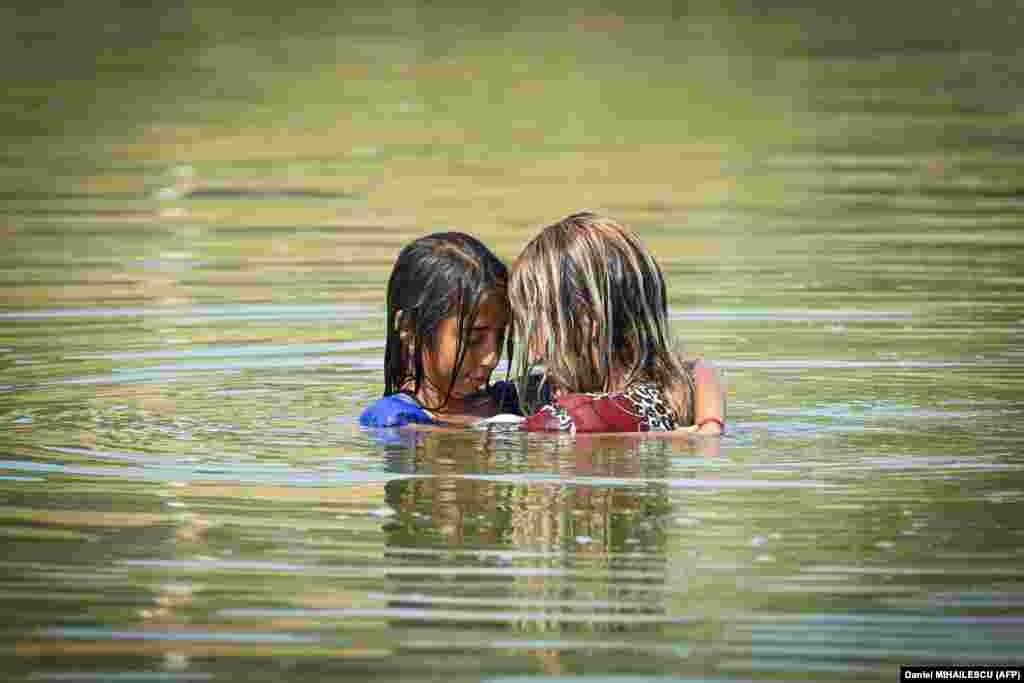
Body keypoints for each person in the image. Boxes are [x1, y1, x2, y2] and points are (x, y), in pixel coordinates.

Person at [509, 211, 726, 434]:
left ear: (589, 320)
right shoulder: (676, 392)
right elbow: (697, 368)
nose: (531, 348)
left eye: (533, 323)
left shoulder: (578, 417)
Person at [359, 232, 518, 428]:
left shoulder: (517, 401)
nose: (492, 359)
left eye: (501, 336)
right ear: (410, 330)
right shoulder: (394, 420)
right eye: (473, 339)